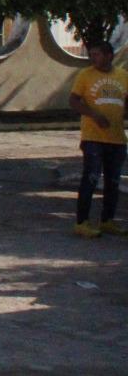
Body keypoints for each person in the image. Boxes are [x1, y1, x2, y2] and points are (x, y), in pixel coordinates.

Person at [68, 40, 127, 238]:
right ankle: (82, 222)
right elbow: (74, 101)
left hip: (117, 138)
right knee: (91, 179)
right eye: (91, 55)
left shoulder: (123, 76)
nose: (93, 58)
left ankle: (107, 220)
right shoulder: (85, 75)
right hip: (93, 137)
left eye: (97, 55)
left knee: (113, 182)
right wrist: (94, 114)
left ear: (109, 55)